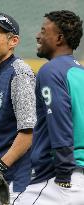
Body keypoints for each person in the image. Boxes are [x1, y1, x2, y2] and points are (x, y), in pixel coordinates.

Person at [15, 10, 84, 205]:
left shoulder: (51, 70)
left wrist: (63, 175)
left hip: (60, 180)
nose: (38, 35)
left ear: (59, 38)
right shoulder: (80, 72)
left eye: (44, 31)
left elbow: (59, 119)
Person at [0, 12, 36, 204]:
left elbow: (28, 132)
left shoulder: (19, 73)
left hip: (20, 183)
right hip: (5, 181)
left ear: (13, 41)